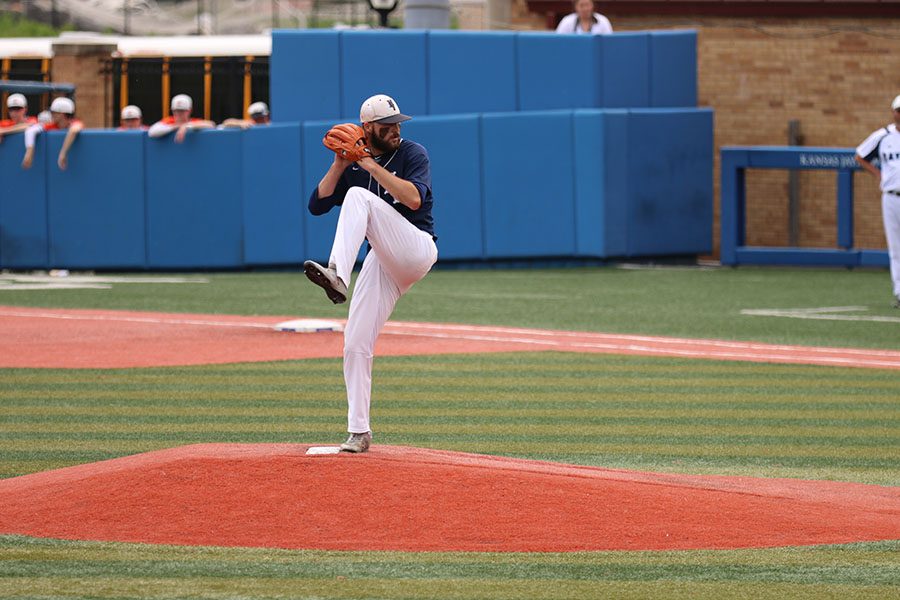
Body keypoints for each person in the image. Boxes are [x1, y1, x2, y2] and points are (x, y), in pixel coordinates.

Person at [304, 94, 438, 453]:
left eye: (397, 123)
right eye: (387, 125)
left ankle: (337, 274)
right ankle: (358, 431)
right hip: (384, 260)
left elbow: (413, 200)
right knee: (355, 341)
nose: (396, 129)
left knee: (359, 199)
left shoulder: (412, 153)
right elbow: (316, 205)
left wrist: (368, 165)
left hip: (416, 248)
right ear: (367, 128)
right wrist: (339, 164)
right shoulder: (351, 167)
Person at [856, 94, 900, 309]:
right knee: (895, 247)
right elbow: (860, 155)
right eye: (899, 110)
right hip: (891, 196)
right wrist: (877, 174)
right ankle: (899, 292)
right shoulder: (883, 136)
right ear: (893, 112)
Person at [21, 97, 83, 170]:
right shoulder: (53, 125)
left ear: (61, 114)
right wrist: (29, 153)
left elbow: (73, 130)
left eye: (53, 112)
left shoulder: (75, 123)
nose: (51, 114)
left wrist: (63, 154)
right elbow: (30, 130)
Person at [148, 94, 214, 142]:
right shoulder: (169, 121)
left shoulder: (193, 122)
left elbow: (211, 124)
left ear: (190, 111)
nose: (178, 113)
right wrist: (175, 127)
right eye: (176, 110)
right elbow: (152, 132)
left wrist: (186, 126)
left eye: (182, 111)